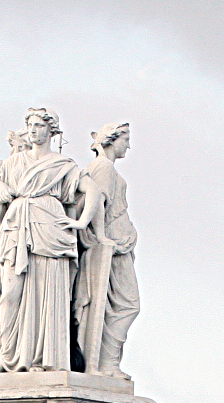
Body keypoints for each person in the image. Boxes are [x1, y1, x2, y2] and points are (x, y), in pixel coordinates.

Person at [0, 108, 100, 373]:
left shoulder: (62, 165)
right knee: (11, 296)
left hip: (50, 228)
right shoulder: (14, 163)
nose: (33, 130)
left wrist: (81, 222)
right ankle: (8, 359)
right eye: (30, 125)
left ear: (51, 130)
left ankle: (48, 361)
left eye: (39, 125)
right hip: (17, 227)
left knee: (49, 295)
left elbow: (93, 190)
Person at [76, 122, 138, 375]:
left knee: (122, 304)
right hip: (112, 246)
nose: (128, 145)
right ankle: (107, 363)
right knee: (126, 304)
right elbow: (96, 202)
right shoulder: (102, 168)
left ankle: (109, 362)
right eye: (125, 139)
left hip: (119, 245)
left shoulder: (106, 169)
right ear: (112, 140)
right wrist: (102, 237)